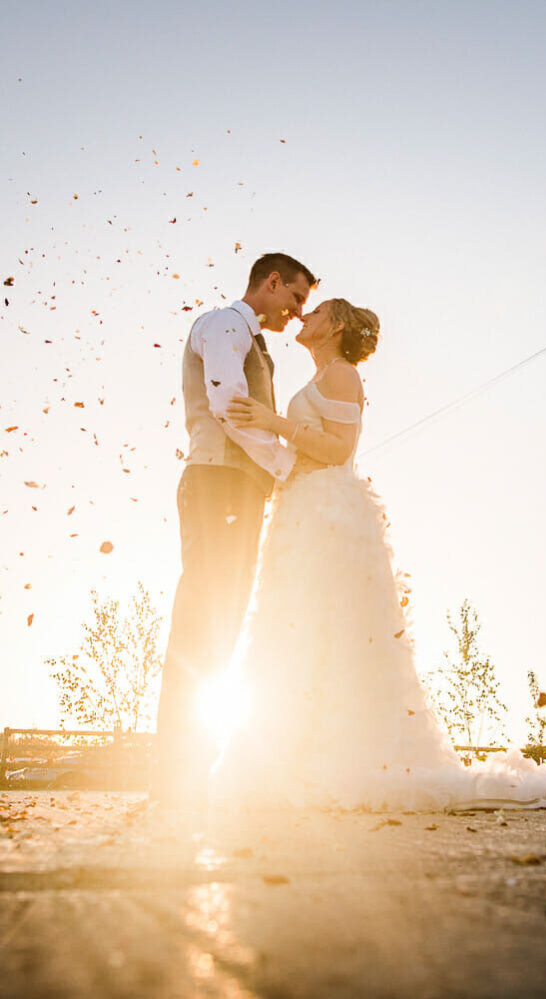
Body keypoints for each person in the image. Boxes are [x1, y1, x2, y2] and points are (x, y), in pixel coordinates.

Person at [212, 298, 546, 811]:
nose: (303, 319)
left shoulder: (343, 374)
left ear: (335, 326)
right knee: (298, 629)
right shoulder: (322, 377)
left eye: (314, 314)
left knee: (337, 630)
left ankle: (341, 756)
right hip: (302, 511)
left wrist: (273, 422)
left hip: (330, 514)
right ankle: (290, 754)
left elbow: (338, 449)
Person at [154, 252, 318, 804]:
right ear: (272, 283)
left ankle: (194, 770)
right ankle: (177, 774)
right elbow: (228, 405)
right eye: (295, 298)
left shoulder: (253, 341)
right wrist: (286, 466)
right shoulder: (224, 324)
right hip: (217, 482)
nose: (297, 313)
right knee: (204, 620)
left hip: (235, 487)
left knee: (222, 622)